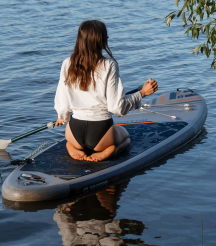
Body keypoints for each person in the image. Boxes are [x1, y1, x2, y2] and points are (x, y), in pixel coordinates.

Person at [54, 20, 158, 162]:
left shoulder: (67, 63)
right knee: (126, 138)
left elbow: (63, 102)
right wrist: (142, 94)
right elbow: (116, 107)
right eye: (105, 36)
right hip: (101, 132)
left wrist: (63, 117)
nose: (108, 39)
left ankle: (71, 146)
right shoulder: (109, 65)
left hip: (74, 131)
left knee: (70, 140)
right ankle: (109, 151)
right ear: (100, 41)